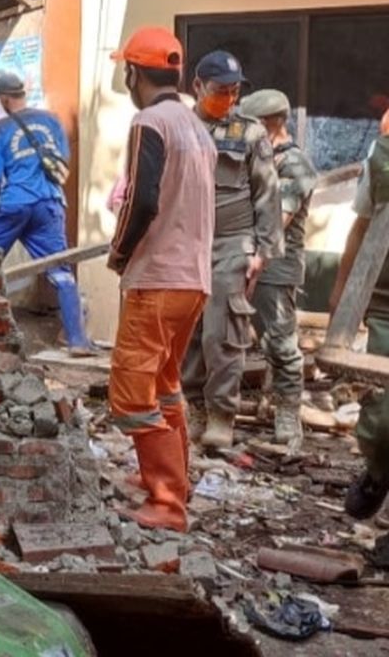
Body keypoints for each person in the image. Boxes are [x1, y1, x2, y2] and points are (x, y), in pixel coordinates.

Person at [106, 27, 216, 532]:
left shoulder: (149, 122)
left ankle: (168, 503)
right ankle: (175, 479)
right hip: (193, 279)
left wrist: (120, 252)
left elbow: (141, 200)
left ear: (133, 73)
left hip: (157, 276)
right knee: (165, 384)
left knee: (131, 392)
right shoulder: (196, 127)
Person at [180, 51, 283, 450]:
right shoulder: (181, 127)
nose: (228, 97)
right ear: (197, 87)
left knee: (222, 332)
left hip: (232, 243)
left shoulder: (250, 133)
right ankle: (194, 409)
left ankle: (222, 414)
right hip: (186, 244)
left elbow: (267, 194)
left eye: (234, 91)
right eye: (220, 90)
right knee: (189, 331)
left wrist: (263, 250)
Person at [0, 72, 93, 354]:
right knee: (61, 271)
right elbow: (63, 161)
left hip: (13, 205)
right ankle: (77, 339)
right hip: (49, 204)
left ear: (4, 98)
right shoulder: (52, 120)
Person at [238, 89, 317, 451]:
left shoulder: (295, 165)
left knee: (280, 343)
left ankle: (288, 414)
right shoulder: (256, 158)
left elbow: (277, 221)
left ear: (272, 125)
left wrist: (253, 261)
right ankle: (266, 403)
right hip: (243, 260)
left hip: (274, 267)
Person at [330, 110, 389, 519]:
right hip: (385, 300)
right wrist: (343, 290)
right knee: (385, 417)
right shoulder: (382, 156)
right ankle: (379, 470)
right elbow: (362, 223)